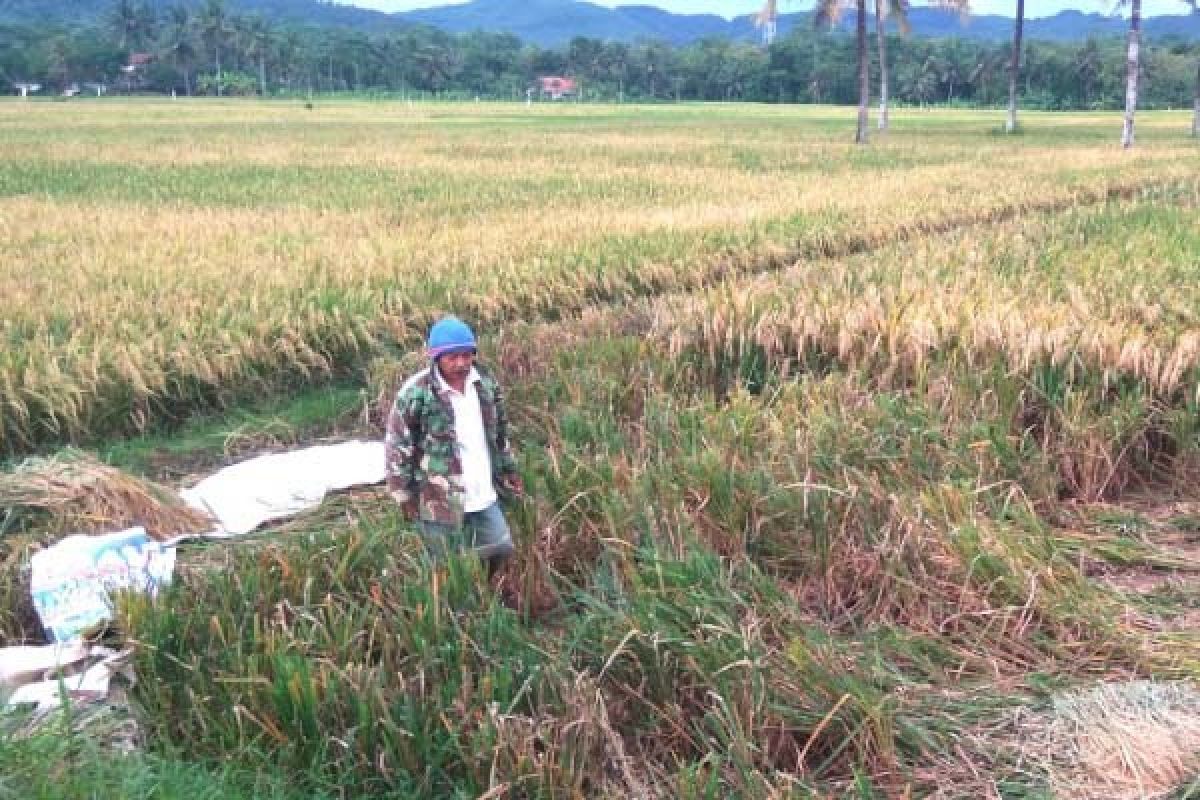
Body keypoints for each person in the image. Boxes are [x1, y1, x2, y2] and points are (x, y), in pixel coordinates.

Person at [384, 316, 523, 578]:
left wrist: (509, 469)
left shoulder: (485, 385)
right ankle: (456, 609)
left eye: (466, 356)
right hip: (438, 497)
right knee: (445, 566)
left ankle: (486, 593)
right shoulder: (416, 393)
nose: (461, 364)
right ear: (436, 357)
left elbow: (500, 433)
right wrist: (403, 495)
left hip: (482, 489)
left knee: (500, 546)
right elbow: (397, 446)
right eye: (452, 357)